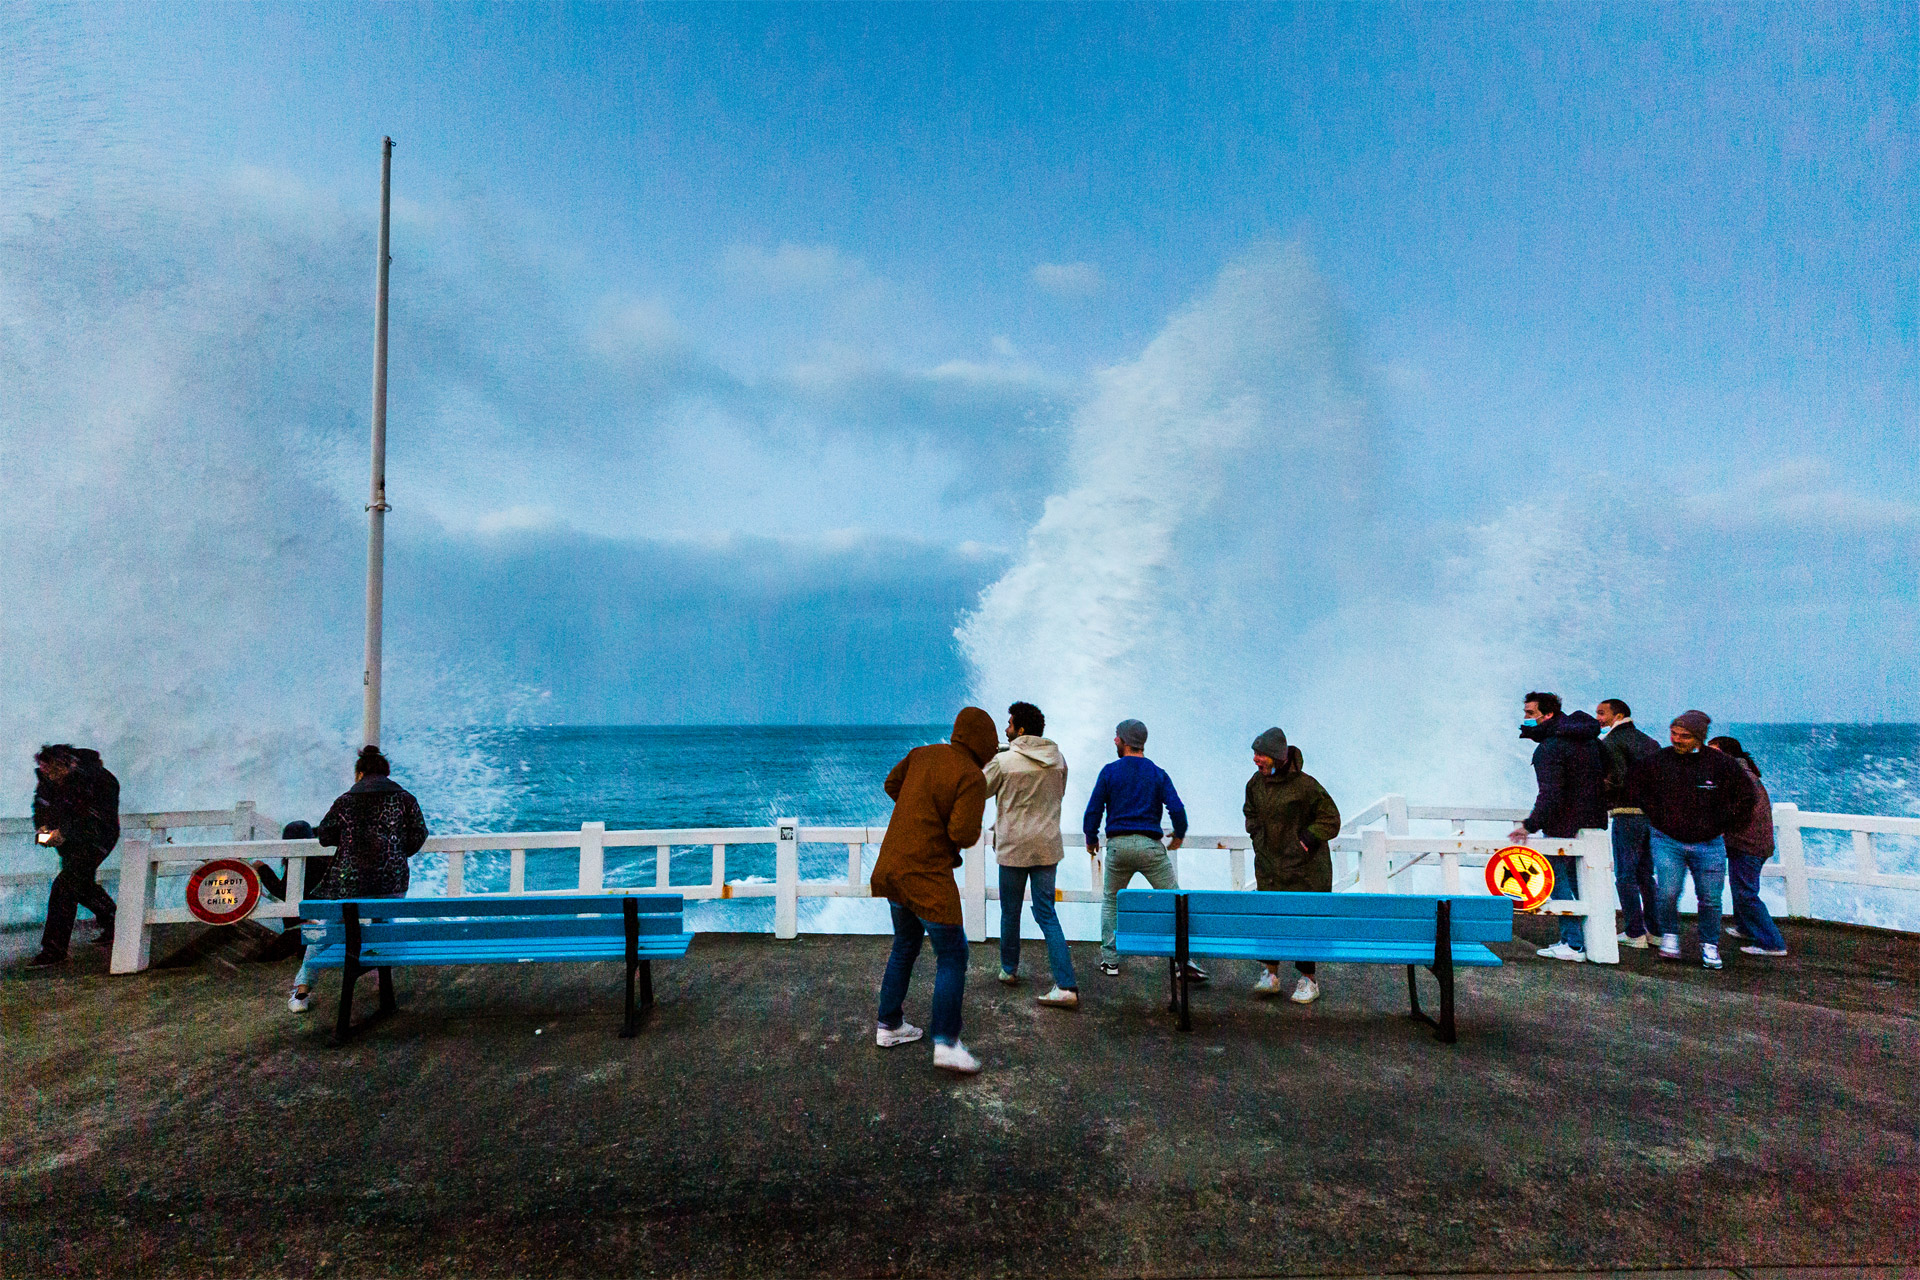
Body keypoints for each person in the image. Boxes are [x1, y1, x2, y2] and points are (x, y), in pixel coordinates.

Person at [869, 706, 998, 1074]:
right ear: (984, 744)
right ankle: (946, 1041)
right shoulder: (972, 777)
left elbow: (892, 785)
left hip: (893, 866)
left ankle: (889, 1025)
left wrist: (920, 811)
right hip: (926, 874)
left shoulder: (922, 753)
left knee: (905, 945)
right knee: (953, 954)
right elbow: (961, 834)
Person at [287, 746, 430, 1013]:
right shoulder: (405, 799)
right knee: (383, 924)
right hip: (391, 881)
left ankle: (302, 992)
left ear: (360, 773)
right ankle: (382, 986)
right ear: (386, 773)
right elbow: (419, 833)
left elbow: (325, 836)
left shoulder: (345, 800)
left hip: (349, 883)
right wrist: (397, 853)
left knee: (327, 929)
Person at [1627, 710, 1758, 970]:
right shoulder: (1658, 761)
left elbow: (1747, 797)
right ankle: (1671, 936)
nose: (1677, 740)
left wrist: (1725, 825)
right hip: (1667, 840)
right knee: (1667, 892)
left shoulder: (1720, 764)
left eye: (1685, 736)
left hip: (1709, 843)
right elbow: (1634, 785)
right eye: (1674, 734)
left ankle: (1709, 944)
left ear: (1699, 737)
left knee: (1710, 898)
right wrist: (1655, 814)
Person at [1085, 718, 1204, 981]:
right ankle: (1182, 961)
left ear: (1125, 741)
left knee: (1112, 901)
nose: (1114, 740)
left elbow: (1093, 810)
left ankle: (1111, 961)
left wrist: (1091, 838)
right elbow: (1177, 809)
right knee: (1175, 900)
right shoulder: (1157, 773)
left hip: (1118, 847)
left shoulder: (1109, 771)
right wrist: (1179, 835)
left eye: (1117, 737)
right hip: (1151, 847)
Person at [983, 701, 1078, 1008]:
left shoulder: (1004, 760)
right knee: (1046, 913)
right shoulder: (1058, 758)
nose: (1006, 729)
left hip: (1013, 847)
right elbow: (1058, 794)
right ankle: (1066, 985)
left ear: (1020, 730)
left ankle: (1009, 970)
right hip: (1047, 845)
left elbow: (979, 788)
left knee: (1011, 912)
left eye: (1009, 724)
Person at [1508, 692, 1608, 962]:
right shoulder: (1590, 741)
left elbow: (1551, 793)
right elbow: (1606, 773)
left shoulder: (1550, 748)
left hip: (1563, 824)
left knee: (1555, 879)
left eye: (1530, 713)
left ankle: (1573, 944)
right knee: (1583, 882)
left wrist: (1529, 825)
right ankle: (1586, 940)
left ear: (1547, 714)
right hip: (1592, 822)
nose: (1526, 719)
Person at [1243, 730, 1341, 1003]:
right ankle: (1270, 974)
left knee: (1305, 922)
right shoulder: (1255, 785)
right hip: (1270, 866)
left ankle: (1308, 980)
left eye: (1260, 755)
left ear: (1276, 757)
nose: (1255, 760)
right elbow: (1250, 813)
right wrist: (1258, 837)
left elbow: (1331, 819)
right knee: (1270, 917)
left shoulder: (1307, 786)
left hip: (1306, 870)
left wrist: (1307, 838)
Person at [27, 745, 120, 967]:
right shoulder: (48, 779)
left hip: (96, 839)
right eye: (43, 769)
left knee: (65, 886)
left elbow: (97, 816)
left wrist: (65, 832)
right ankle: (114, 920)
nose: (46, 774)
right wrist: (42, 829)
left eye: (50, 769)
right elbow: (41, 807)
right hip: (67, 842)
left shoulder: (99, 779)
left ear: (66, 764)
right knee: (81, 885)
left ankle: (54, 950)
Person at [1709, 735, 1788, 958]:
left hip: (1748, 843)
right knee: (1741, 888)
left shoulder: (1737, 777)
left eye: (1714, 751)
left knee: (1746, 893)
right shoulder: (1741, 773)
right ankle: (1745, 928)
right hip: (1748, 841)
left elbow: (1735, 810)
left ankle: (1772, 942)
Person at [1596, 698, 1663, 948]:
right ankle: (1656, 931)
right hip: (1652, 817)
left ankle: (1634, 933)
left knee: (1625, 874)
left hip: (1627, 814)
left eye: (1602, 713)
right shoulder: (1650, 742)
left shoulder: (1611, 742)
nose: (1598, 719)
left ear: (1618, 715)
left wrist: (1600, 798)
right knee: (1646, 874)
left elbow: (1617, 779)